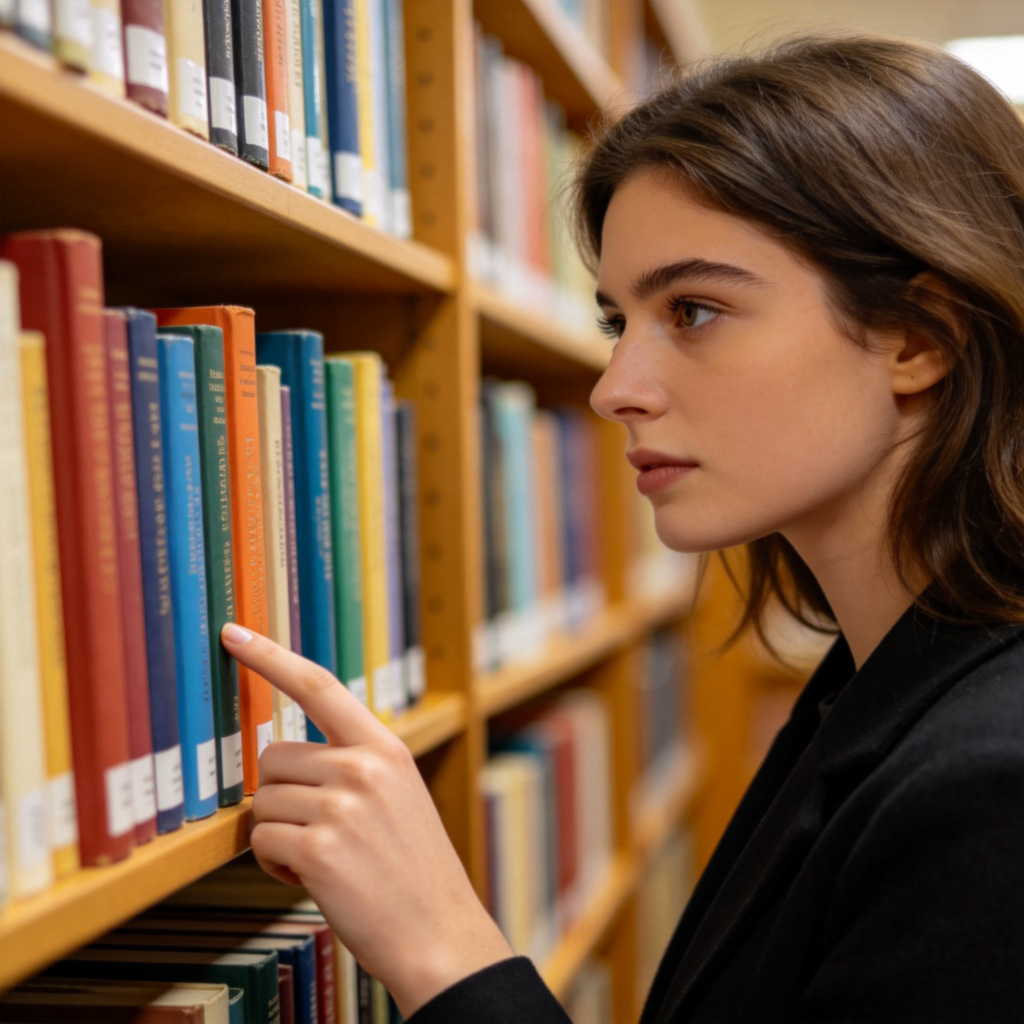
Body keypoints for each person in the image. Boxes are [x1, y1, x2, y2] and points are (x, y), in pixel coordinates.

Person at [221, 33, 1024, 1023]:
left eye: (692, 310)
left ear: (919, 337)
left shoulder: (995, 783)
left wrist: (447, 952)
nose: (615, 390)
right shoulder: (876, 682)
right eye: (616, 322)